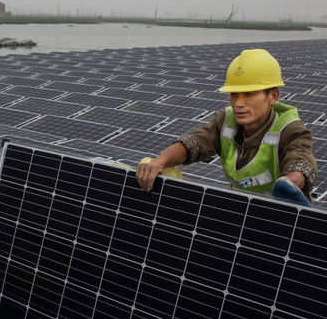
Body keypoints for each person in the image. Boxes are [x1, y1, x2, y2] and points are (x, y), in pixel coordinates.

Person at [136, 49, 317, 205]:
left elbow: (300, 159)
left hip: (283, 217)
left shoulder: (290, 129)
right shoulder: (225, 121)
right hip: (242, 209)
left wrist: (290, 182)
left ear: (273, 96)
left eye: (248, 94)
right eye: (234, 95)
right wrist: (159, 162)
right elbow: (195, 142)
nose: (238, 103)